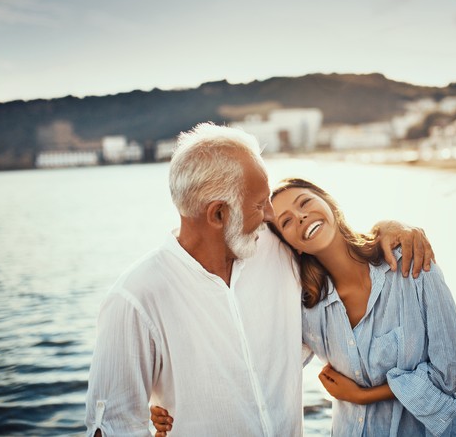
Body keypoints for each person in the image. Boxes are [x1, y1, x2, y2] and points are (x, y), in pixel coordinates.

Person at [85, 123, 433, 436]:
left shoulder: (279, 244)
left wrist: (391, 228)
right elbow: (112, 428)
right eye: (258, 206)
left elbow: (340, 240)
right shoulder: (135, 300)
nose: (270, 214)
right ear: (218, 214)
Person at [151, 177, 456, 436]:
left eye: (305, 202)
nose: (301, 216)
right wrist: (173, 402)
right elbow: (253, 369)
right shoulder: (306, 309)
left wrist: (364, 395)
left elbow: (455, 371)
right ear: (288, 243)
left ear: (329, 203)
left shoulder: (408, 263)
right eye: (287, 221)